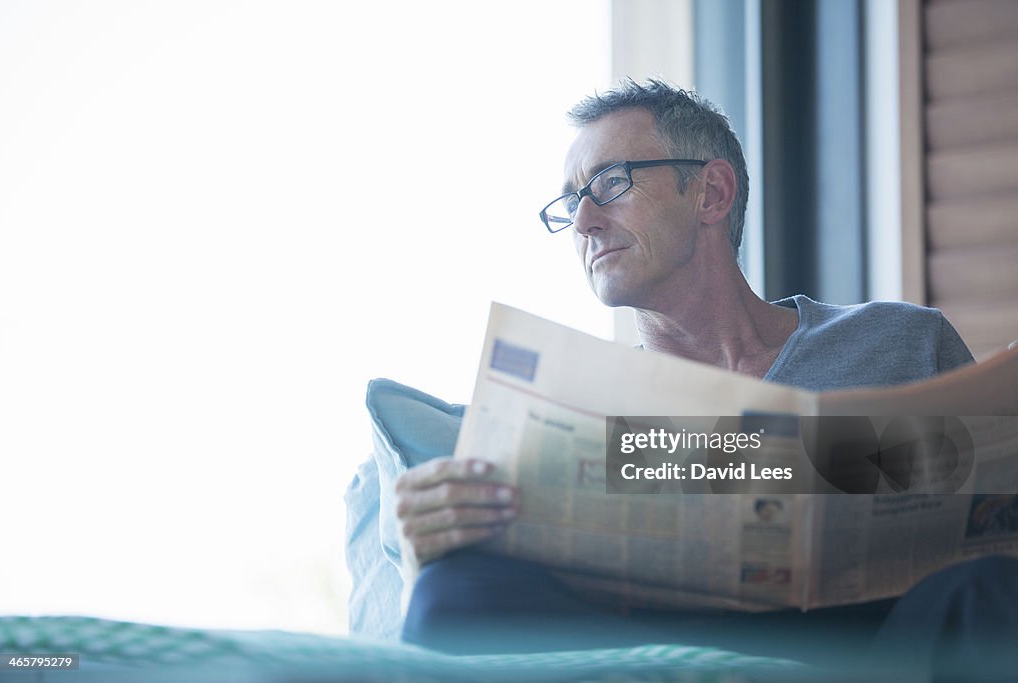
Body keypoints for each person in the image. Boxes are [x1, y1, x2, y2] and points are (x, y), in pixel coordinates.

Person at [393, 79, 1017, 678]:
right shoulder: (579, 403)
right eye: (569, 201)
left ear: (712, 194)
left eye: (610, 184)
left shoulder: (900, 341)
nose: (582, 222)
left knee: (992, 589)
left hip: (882, 647)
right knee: (452, 591)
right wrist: (429, 551)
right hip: (667, 652)